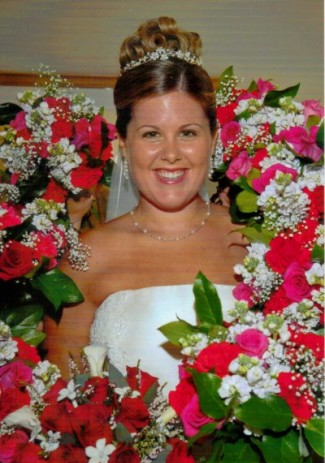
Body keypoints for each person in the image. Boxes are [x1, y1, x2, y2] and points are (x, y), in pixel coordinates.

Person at [44, 16, 247, 391]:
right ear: (123, 143)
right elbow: (62, 414)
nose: (171, 154)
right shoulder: (83, 258)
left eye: (188, 133)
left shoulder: (253, 243)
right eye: (151, 134)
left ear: (213, 138)